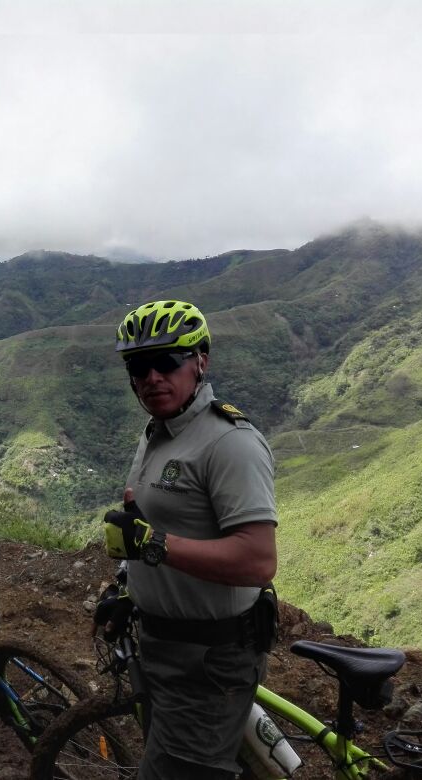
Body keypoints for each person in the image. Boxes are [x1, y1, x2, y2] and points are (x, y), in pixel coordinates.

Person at [102, 300, 279, 779]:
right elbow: (149, 525)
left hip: (210, 662)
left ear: (200, 360)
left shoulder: (230, 443)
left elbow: (258, 561)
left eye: (167, 362)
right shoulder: (158, 433)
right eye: (139, 366)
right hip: (162, 645)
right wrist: (126, 585)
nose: (152, 377)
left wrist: (152, 546)